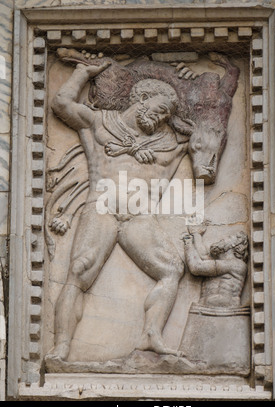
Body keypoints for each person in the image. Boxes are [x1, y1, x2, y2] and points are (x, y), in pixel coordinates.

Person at [46, 62, 192, 361]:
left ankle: (150, 337)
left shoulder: (170, 140)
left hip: (139, 216)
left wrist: (188, 81)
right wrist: (83, 72)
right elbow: (61, 104)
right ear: (142, 98)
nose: (163, 116)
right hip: (103, 206)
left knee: (172, 269)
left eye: (168, 114)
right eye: (160, 108)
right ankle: (62, 346)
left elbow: (207, 130)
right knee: (79, 270)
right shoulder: (99, 122)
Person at [182, 226, 248, 307]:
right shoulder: (222, 263)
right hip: (205, 309)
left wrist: (188, 243)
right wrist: (196, 234)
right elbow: (203, 256)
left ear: (236, 246)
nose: (223, 239)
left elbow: (196, 267)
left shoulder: (236, 265)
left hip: (224, 313)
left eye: (229, 237)